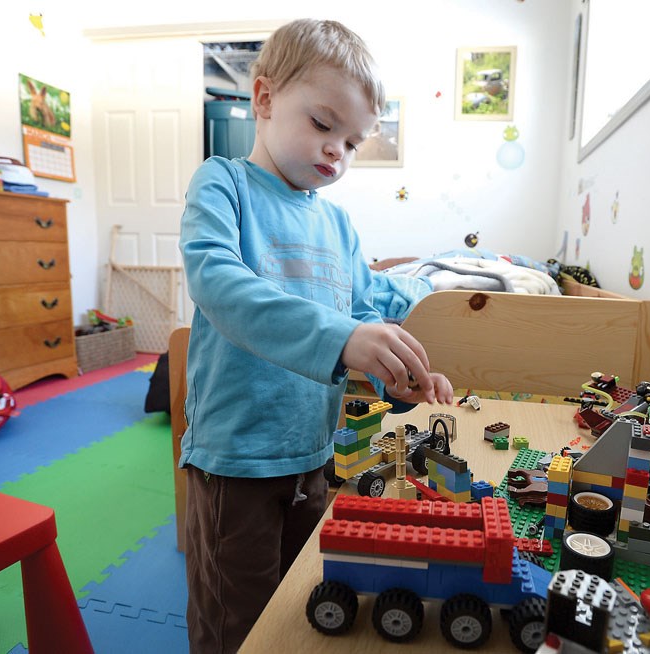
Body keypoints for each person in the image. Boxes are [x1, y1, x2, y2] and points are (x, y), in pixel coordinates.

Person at [178, 18, 453, 654]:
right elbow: (219, 283)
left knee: (306, 610)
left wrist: (403, 371)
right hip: (236, 460)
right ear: (266, 99)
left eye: (353, 142)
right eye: (324, 125)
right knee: (236, 624)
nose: (337, 152)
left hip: (312, 457)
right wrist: (342, 338)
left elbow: (364, 320)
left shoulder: (339, 225)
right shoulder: (224, 184)